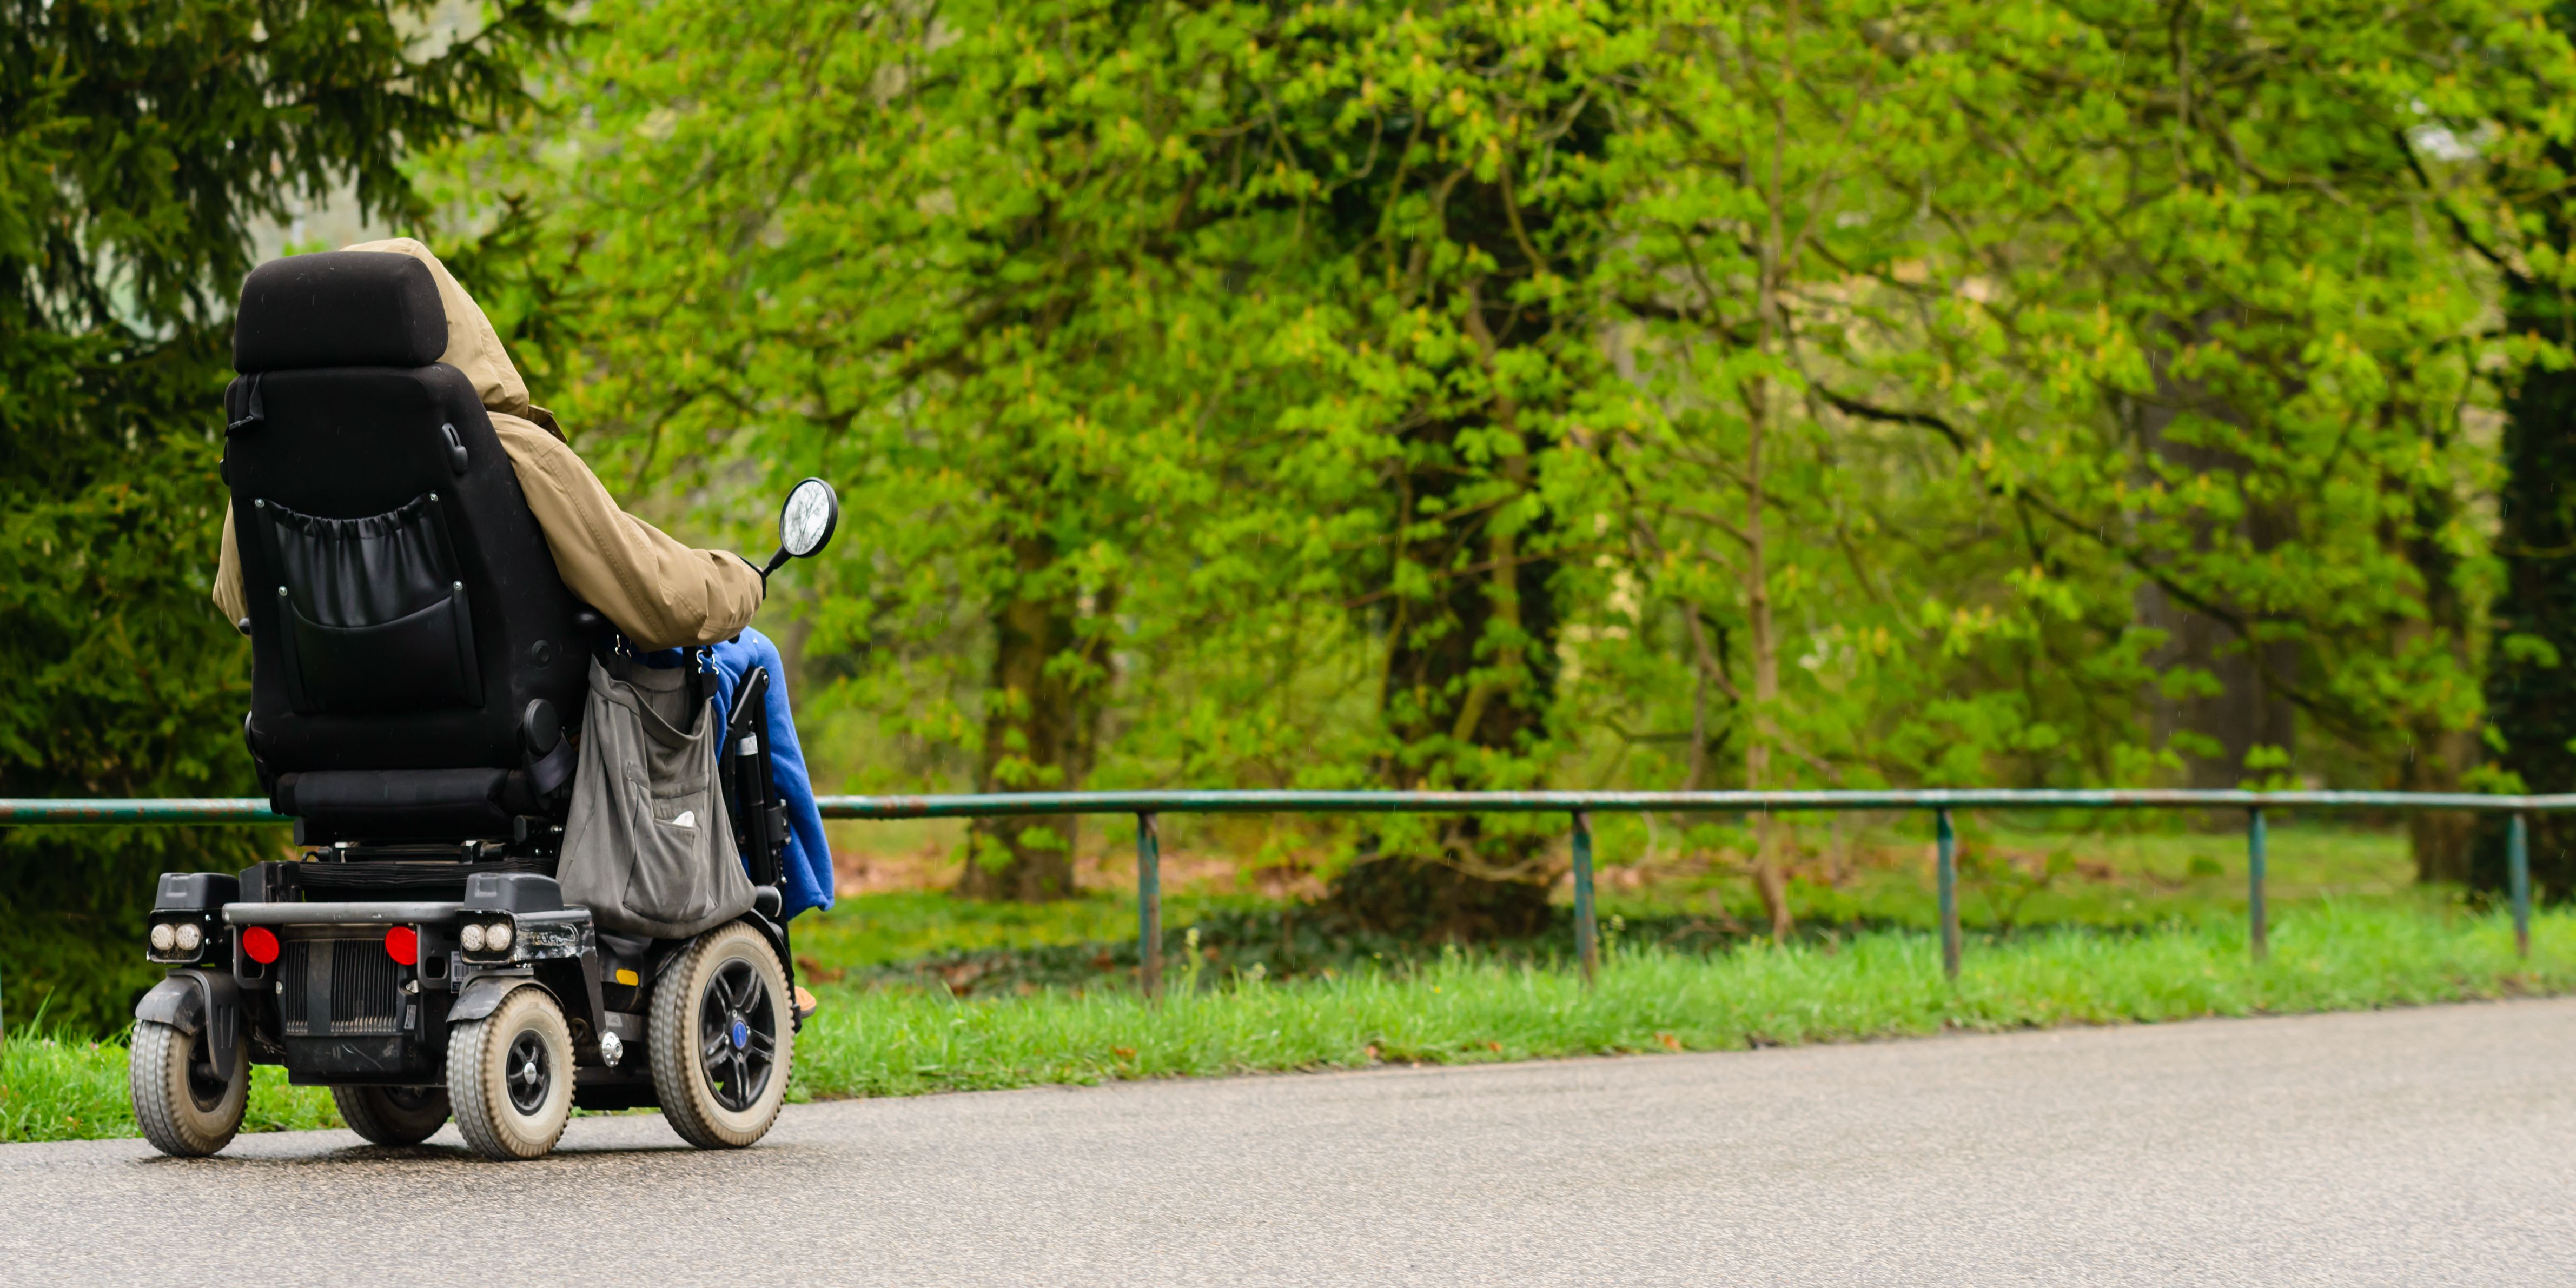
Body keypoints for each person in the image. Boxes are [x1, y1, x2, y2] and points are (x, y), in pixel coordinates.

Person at [209, 239, 834, 926]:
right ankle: (776, 920)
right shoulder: (498, 447)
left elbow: (237, 603)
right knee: (751, 658)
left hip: (321, 746)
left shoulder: (262, 453)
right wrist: (742, 579)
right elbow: (660, 601)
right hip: (513, 735)